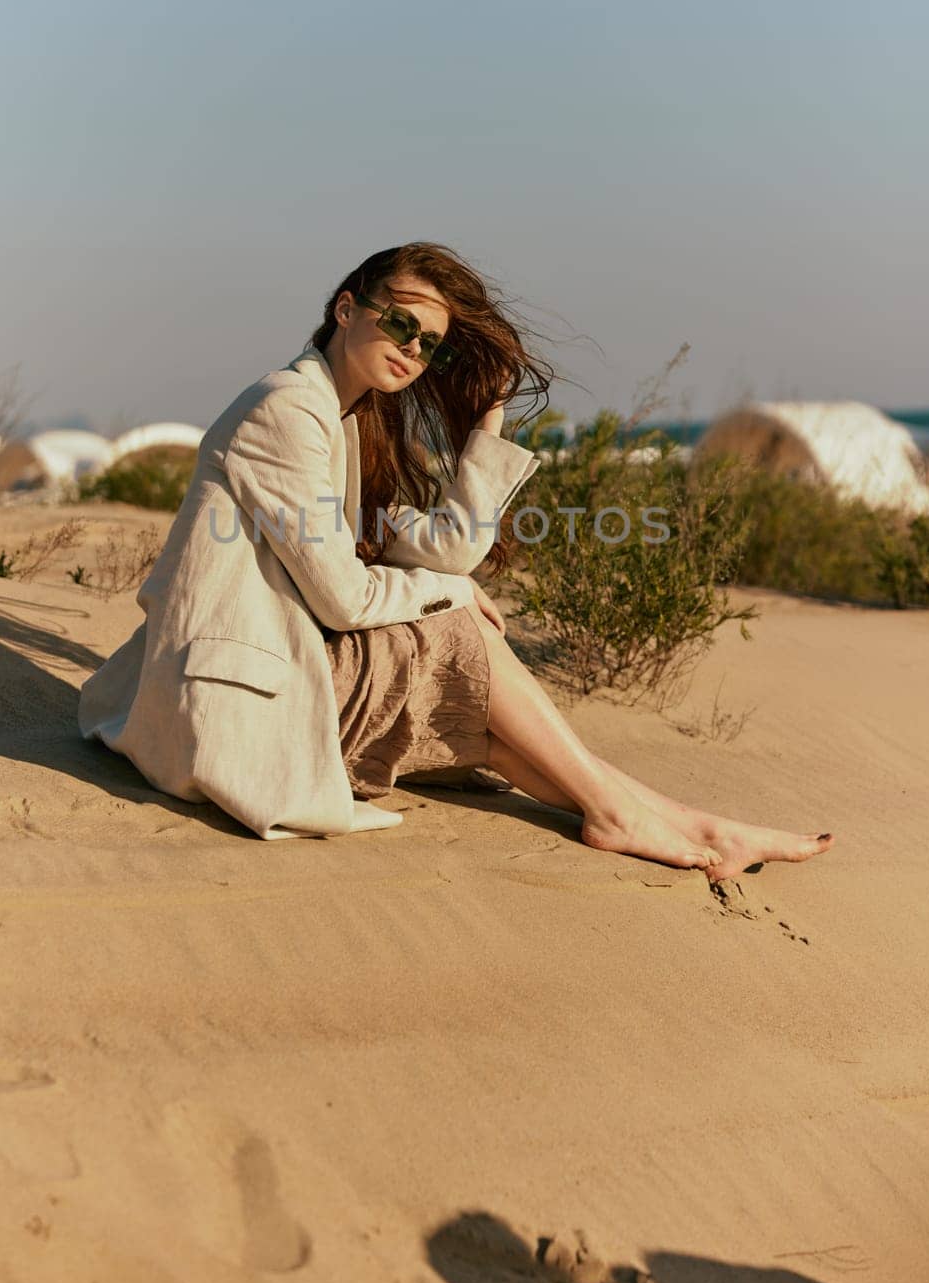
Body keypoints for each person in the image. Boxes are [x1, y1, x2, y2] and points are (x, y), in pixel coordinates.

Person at [79, 241, 834, 879]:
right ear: (347, 309)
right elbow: (344, 601)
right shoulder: (288, 409)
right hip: (225, 707)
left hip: (273, 674)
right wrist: (447, 596)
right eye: (399, 322)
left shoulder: (347, 418)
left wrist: (486, 429)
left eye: (428, 342)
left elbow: (445, 549)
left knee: (489, 722)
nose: (411, 347)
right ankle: (620, 815)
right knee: (462, 639)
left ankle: (690, 825)